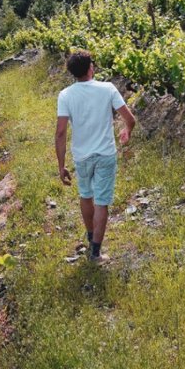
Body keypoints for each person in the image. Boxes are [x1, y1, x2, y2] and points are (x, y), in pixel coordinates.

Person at [55, 50, 136, 263]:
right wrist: (127, 131)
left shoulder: (65, 95)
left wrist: (61, 165)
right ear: (91, 67)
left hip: (81, 156)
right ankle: (96, 253)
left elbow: (61, 132)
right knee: (102, 202)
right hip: (105, 154)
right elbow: (130, 118)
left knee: (85, 195)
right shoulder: (107, 89)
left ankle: (91, 237)